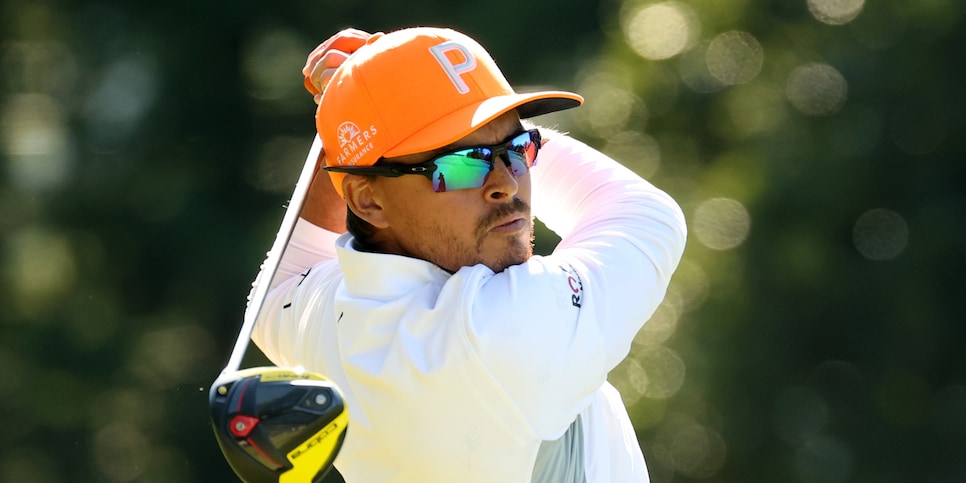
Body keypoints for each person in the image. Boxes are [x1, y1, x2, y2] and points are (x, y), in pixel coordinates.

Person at [249, 26, 687, 482]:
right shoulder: (501, 327)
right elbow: (645, 212)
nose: (505, 184)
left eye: (518, 150)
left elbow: (282, 283)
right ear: (368, 201)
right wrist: (360, 108)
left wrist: (351, 119)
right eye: (459, 163)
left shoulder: (327, 316)